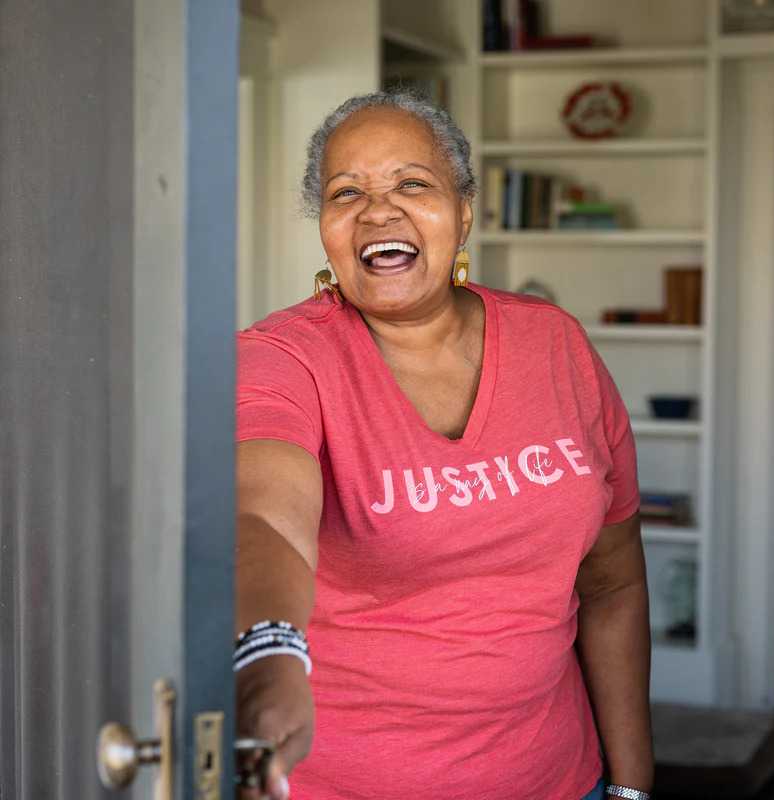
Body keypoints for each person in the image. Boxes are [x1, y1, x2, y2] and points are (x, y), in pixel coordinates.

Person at [235, 91, 654, 800]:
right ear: (326, 227)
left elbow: (613, 583)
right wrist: (269, 653)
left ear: (463, 211)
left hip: (562, 780)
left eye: (412, 184)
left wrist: (633, 785)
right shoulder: (281, 358)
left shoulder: (555, 343)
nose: (378, 212)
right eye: (347, 193)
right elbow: (262, 516)